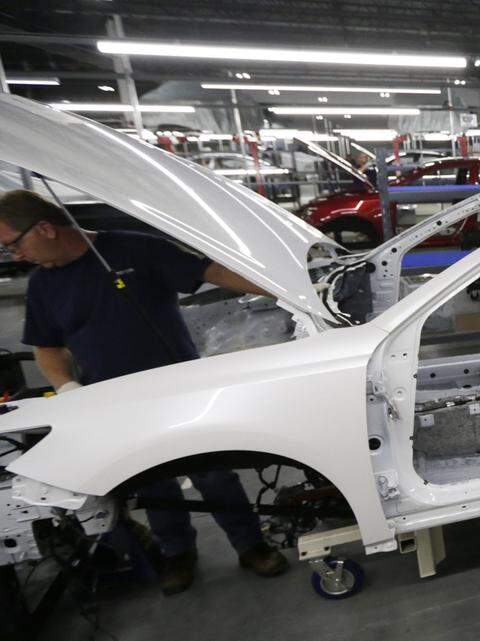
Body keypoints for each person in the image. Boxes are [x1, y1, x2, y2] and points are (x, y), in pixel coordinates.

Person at [0, 189, 288, 595]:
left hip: (181, 391)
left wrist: (288, 291)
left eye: (13, 243)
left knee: (214, 474)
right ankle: (177, 552)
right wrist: (66, 387)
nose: (14, 255)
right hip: (115, 405)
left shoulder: (134, 248)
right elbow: (46, 347)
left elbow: (212, 272)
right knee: (151, 483)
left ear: (45, 228)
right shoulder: (44, 285)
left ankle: (250, 544)